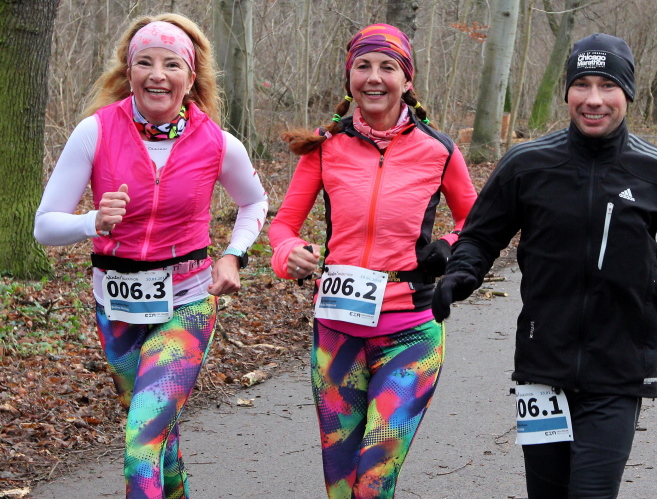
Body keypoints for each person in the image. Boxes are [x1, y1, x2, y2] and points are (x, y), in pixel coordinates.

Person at [432, 33, 657, 499]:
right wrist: (462, 275)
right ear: (567, 91)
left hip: (620, 368)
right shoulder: (526, 164)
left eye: (608, 86)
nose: (593, 99)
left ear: (629, 93)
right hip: (541, 368)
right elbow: (480, 237)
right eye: (582, 84)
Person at [34, 13, 268, 499]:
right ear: (129, 71)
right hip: (117, 305)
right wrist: (92, 221)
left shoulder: (217, 142)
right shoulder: (95, 132)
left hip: (188, 302)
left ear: (190, 77)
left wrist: (233, 255)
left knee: (141, 443)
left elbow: (254, 202)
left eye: (171, 64)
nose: (157, 74)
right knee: (159, 439)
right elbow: (44, 226)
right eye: (145, 62)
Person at [268, 23, 477, 499]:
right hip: (337, 332)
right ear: (350, 78)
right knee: (341, 484)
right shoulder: (325, 147)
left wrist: (448, 245)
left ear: (407, 79)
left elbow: (478, 222)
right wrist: (288, 255)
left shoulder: (439, 150)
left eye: (388, 67)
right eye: (363, 66)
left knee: (373, 482)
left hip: (411, 331)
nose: (374, 77)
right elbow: (283, 227)